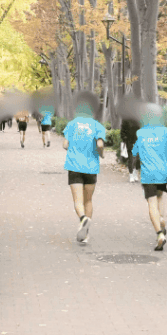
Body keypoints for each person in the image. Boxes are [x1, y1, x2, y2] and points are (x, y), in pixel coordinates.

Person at [131, 105, 167, 251]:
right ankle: (162, 219)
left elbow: (134, 152)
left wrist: (133, 168)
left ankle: (159, 233)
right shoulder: (165, 131)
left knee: (151, 202)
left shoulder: (141, 133)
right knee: (160, 197)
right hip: (163, 172)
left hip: (148, 174)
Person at [63, 101, 107, 243]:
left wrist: (72, 148)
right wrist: (102, 154)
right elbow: (100, 144)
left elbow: (65, 144)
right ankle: (86, 234)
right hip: (91, 167)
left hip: (74, 166)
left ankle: (83, 219)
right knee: (88, 200)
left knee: (78, 201)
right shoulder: (97, 126)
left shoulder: (72, 124)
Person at [120, 116, 140, 182]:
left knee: (138, 158)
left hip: (139, 140)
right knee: (131, 158)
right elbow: (122, 130)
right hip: (129, 141)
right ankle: (131, 174)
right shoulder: (126, 118)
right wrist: (124, 138)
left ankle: (135, 172)